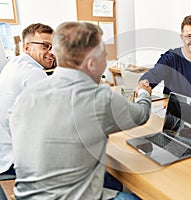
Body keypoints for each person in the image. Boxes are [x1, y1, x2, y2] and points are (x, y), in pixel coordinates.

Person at [9, 21, 152, 199]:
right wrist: (143, 93)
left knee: (108, 177)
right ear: (92, 63)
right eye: (104, 57)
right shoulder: (98, 98)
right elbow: (142, 114)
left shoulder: (26, 96)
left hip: (25, 197)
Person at [0, 23, 54, 177]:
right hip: (13, 162)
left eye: (53, 47)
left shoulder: (13, 65)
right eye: (45, 46)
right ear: (27, 47)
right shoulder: (33, 73)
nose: (52, 52)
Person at [140, 15, 191, 110]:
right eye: (189, 36)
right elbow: (153, 75)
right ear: (182, 37)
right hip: (173, 115)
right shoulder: (171, 58)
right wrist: (143, 85)